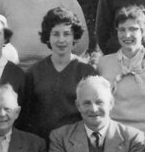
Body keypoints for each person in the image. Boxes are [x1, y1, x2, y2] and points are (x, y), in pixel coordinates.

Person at [96, 5, 145, 146]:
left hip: (144, 141)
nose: (127, 35)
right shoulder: (104, 64)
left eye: (133, 29)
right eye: (122, 29)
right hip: (110, 141)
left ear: (143, 31)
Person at [19, 7, 98, 140]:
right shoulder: (34, 73)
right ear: (48, 37)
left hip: (75, 144)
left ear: (74, 36)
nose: (61, 40)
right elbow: (25, 117)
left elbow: (94, 115)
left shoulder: (86, 72)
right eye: (56, 34)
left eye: (66, 34)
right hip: (41, 144)